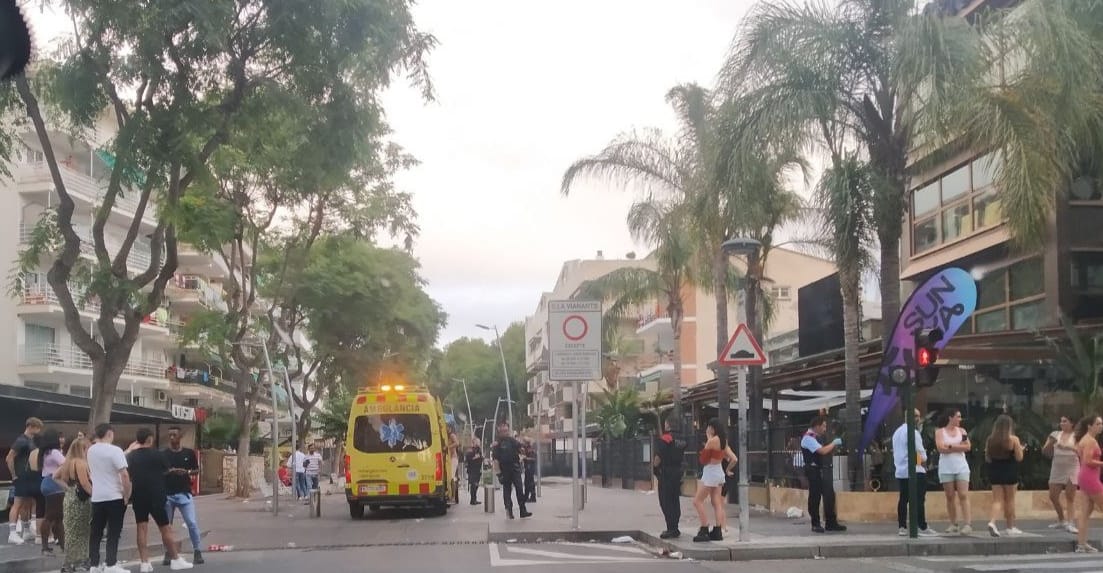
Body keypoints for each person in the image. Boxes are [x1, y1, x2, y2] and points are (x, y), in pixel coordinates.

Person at [126, 428, 193, 572]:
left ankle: (144, 563)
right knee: (165, 528)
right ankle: (175, 559)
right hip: (156, 495)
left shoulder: (131, 456)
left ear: (137, 440)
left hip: (138, 494)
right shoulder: (158, 454)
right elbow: (166, 470)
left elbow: (128, 472)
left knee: (141, 528)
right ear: (150, 439)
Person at [87, 423, 132, 573]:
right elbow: (124, 475)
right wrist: (126, 495)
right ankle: (111, 564)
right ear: (109, 433)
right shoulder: (115, 450)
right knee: (113, 532)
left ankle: (94, 564)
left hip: (97, 497)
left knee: (96, 533)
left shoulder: (91, 450)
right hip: (114, 496)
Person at [162, 426, 204, 565]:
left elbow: (196, 470)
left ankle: (197, 551)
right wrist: (170, 472)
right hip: (167, 495)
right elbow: (159, 472)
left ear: (180, 436)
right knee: (167, 526)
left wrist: (186, 472)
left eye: (174, 434)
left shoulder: (189, 453)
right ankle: (168, 553)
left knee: (191, 522)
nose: (172, 437)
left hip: (184, 494)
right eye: (170, 435)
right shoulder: (164, 454)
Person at [691, 418, 737, 542]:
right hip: (719, 472)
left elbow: (703, 459)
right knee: (717, 502)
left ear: (712, 428)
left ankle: (704, 528)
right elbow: (734, 459)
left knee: (697, 501)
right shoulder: (724, 441)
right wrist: (727, 470)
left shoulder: (712, 441)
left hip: (710, 472)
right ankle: (718, 531)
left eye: (709, 427)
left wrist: (708, 438)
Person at [893, 409, 937, 536]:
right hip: (915, 470)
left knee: (903, 498)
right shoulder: (913, 432)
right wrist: (923, 459)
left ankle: (902, 526)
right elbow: (922, 454)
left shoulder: (897, 432)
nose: (919, 419)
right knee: (919, 499)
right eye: (917, 416)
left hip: (901, 471)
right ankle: (921, 525)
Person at [801, 416, 847, 533]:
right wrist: (834, 443)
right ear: (817, 426)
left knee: (829, 495)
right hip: (813, 470)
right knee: (815, 497)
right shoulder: (808, 438)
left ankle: (831, 522)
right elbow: (822, 451)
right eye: (824, 426)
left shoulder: (818, 437)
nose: (825, 429)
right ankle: (815, 523)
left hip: (822, 469)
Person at [56, 437, 93, 573]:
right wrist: (95, 495)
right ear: (83, 449)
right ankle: (79, 561)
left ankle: (68, 563)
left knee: (71, 532)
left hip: (69, 498)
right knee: (82, 532)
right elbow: (85, 483)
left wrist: (68, 488)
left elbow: (55, 476)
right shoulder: (81, 463)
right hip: (81, 501)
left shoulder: (67, 462)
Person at [985, 414, 1024, 537]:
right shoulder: (1013, 439)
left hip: (995, 471)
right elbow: (1019, 457)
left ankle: (992, 522)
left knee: (997, 500)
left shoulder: (990, 439)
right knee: (1010, 500)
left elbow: (988, 458)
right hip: (1010, 471)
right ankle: (1010, 527)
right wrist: (1021, 449)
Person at [6, 417, 44, 545]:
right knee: (18, 503)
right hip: (21, 476)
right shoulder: (21, 440)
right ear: (31, 427)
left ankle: (26, 530)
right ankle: (12, 532)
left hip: (29, 477)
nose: (39, 431)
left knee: (27, 503)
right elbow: (9, 458)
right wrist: (14, 475)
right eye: (38, 428)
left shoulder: (30, 441)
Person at [935, 409, 972, 535]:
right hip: (946, 468)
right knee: (950, 496)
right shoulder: (940, 432)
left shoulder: (962, 432)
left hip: (961, 466)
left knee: (963, 494)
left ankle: (967, 523)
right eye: (958, 417)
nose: (960, 419)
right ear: (950, 417)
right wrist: (957, 447)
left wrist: (950, 446)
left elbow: (967, 446)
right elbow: (941, 448)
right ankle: (953, 523)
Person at [1042, 415, 1080, 533]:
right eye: (1061, 421)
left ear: (1072, 423)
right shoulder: (1055, 434)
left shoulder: (1077, 436)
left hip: (1072, 467)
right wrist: (1049, 444)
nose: (1062, 423)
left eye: (1065, 421)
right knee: (1053, 496)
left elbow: (1080, 450)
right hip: (1057, 467)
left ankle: (1071, 523)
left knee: (1070, 496)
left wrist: (1066, 447)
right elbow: (1045, 451)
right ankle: (1061, 520)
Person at [1074, 415, 1103, 553]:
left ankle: (1081, 544)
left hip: (1084, 477)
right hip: (1090, 478)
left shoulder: (1084, 440)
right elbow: (1088, 460)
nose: (1101, 426)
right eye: (1097, 424)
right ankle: (1082, 544)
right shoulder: (1090, 441)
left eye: (1101, 424)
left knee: (1085, 513)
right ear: (1089, 426)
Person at [652, 418, 685, 539]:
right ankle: (675, 527)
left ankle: (670, 528)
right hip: (678, 471)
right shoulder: (682, 439)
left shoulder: (666, 438)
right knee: (675, 499)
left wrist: (655, 469)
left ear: (668, 425)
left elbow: (658, 456)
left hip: (666, 472)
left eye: (665, 423)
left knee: (665, 500)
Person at [490, 422, 531, 520]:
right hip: (505, 470)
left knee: (520, 489)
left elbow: (520, 447)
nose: (505, 432)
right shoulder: (497, 444)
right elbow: (495, 460)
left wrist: (523, 448)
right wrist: (499, 474)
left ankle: (523, 510)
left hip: (515, 468)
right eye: (503, 431)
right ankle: (509, 511)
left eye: (506, 430)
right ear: (499, 432)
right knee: (507, 491)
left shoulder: (512, 440)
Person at [37, 429, 66, 554]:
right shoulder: (54, 452)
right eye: (59, 437)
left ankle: (62, 545)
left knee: (57, 516)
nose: (61, 439)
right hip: (55, 483)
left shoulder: (44, 452)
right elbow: (66, 464)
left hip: (46, 482)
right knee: (51, 516)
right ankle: (45, 547)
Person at [464, 440, 484, 505]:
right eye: (477, 442)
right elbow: (467, 460)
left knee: (476, 485)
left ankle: (474, 499)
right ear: (473, 443)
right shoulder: (470, 451)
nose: (478, 443)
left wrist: (480, 457)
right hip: (472, 470)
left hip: (478, 470)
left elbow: (481, 457)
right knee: (473, 485)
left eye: (479, 442)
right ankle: (472, 500)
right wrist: (475, 458)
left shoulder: (479, 450)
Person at [447, 428, 461, 504]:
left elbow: (457, 443)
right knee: (450, 477)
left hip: (453, 458)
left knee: (452, 477)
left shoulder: (452, 435)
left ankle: (453, 497)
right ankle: (451, 496)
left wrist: (448, 447)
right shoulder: (445, 435)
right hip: (449, 459)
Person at [522, 439, 537, 503]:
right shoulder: (526, 449)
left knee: (529, 483)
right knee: (528, 483)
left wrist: (525, 458)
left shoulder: (531, 450)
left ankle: (530, 497)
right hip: (528, 468)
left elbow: (533, 459)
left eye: (524, 442)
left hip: (530, 468)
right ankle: (528, 497)